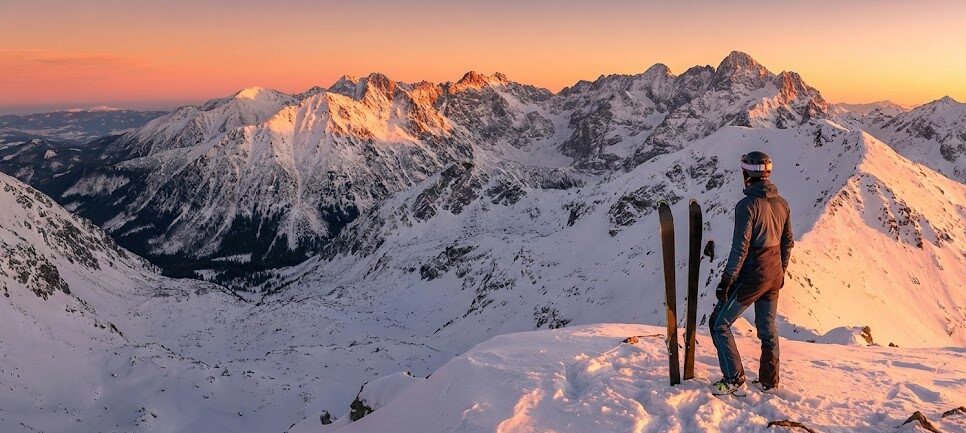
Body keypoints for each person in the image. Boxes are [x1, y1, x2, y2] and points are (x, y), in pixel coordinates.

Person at [709, 151, 794, 396]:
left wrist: (727, 279)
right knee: (767, 330)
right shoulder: (782, 203)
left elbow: (741, 247)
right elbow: (788, 243)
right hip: (774, 274)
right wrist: (781, 270)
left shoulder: (747, 206)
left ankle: (734, 379)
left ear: (746, 174)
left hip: (753, 275)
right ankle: (769, 381)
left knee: (718, 323)